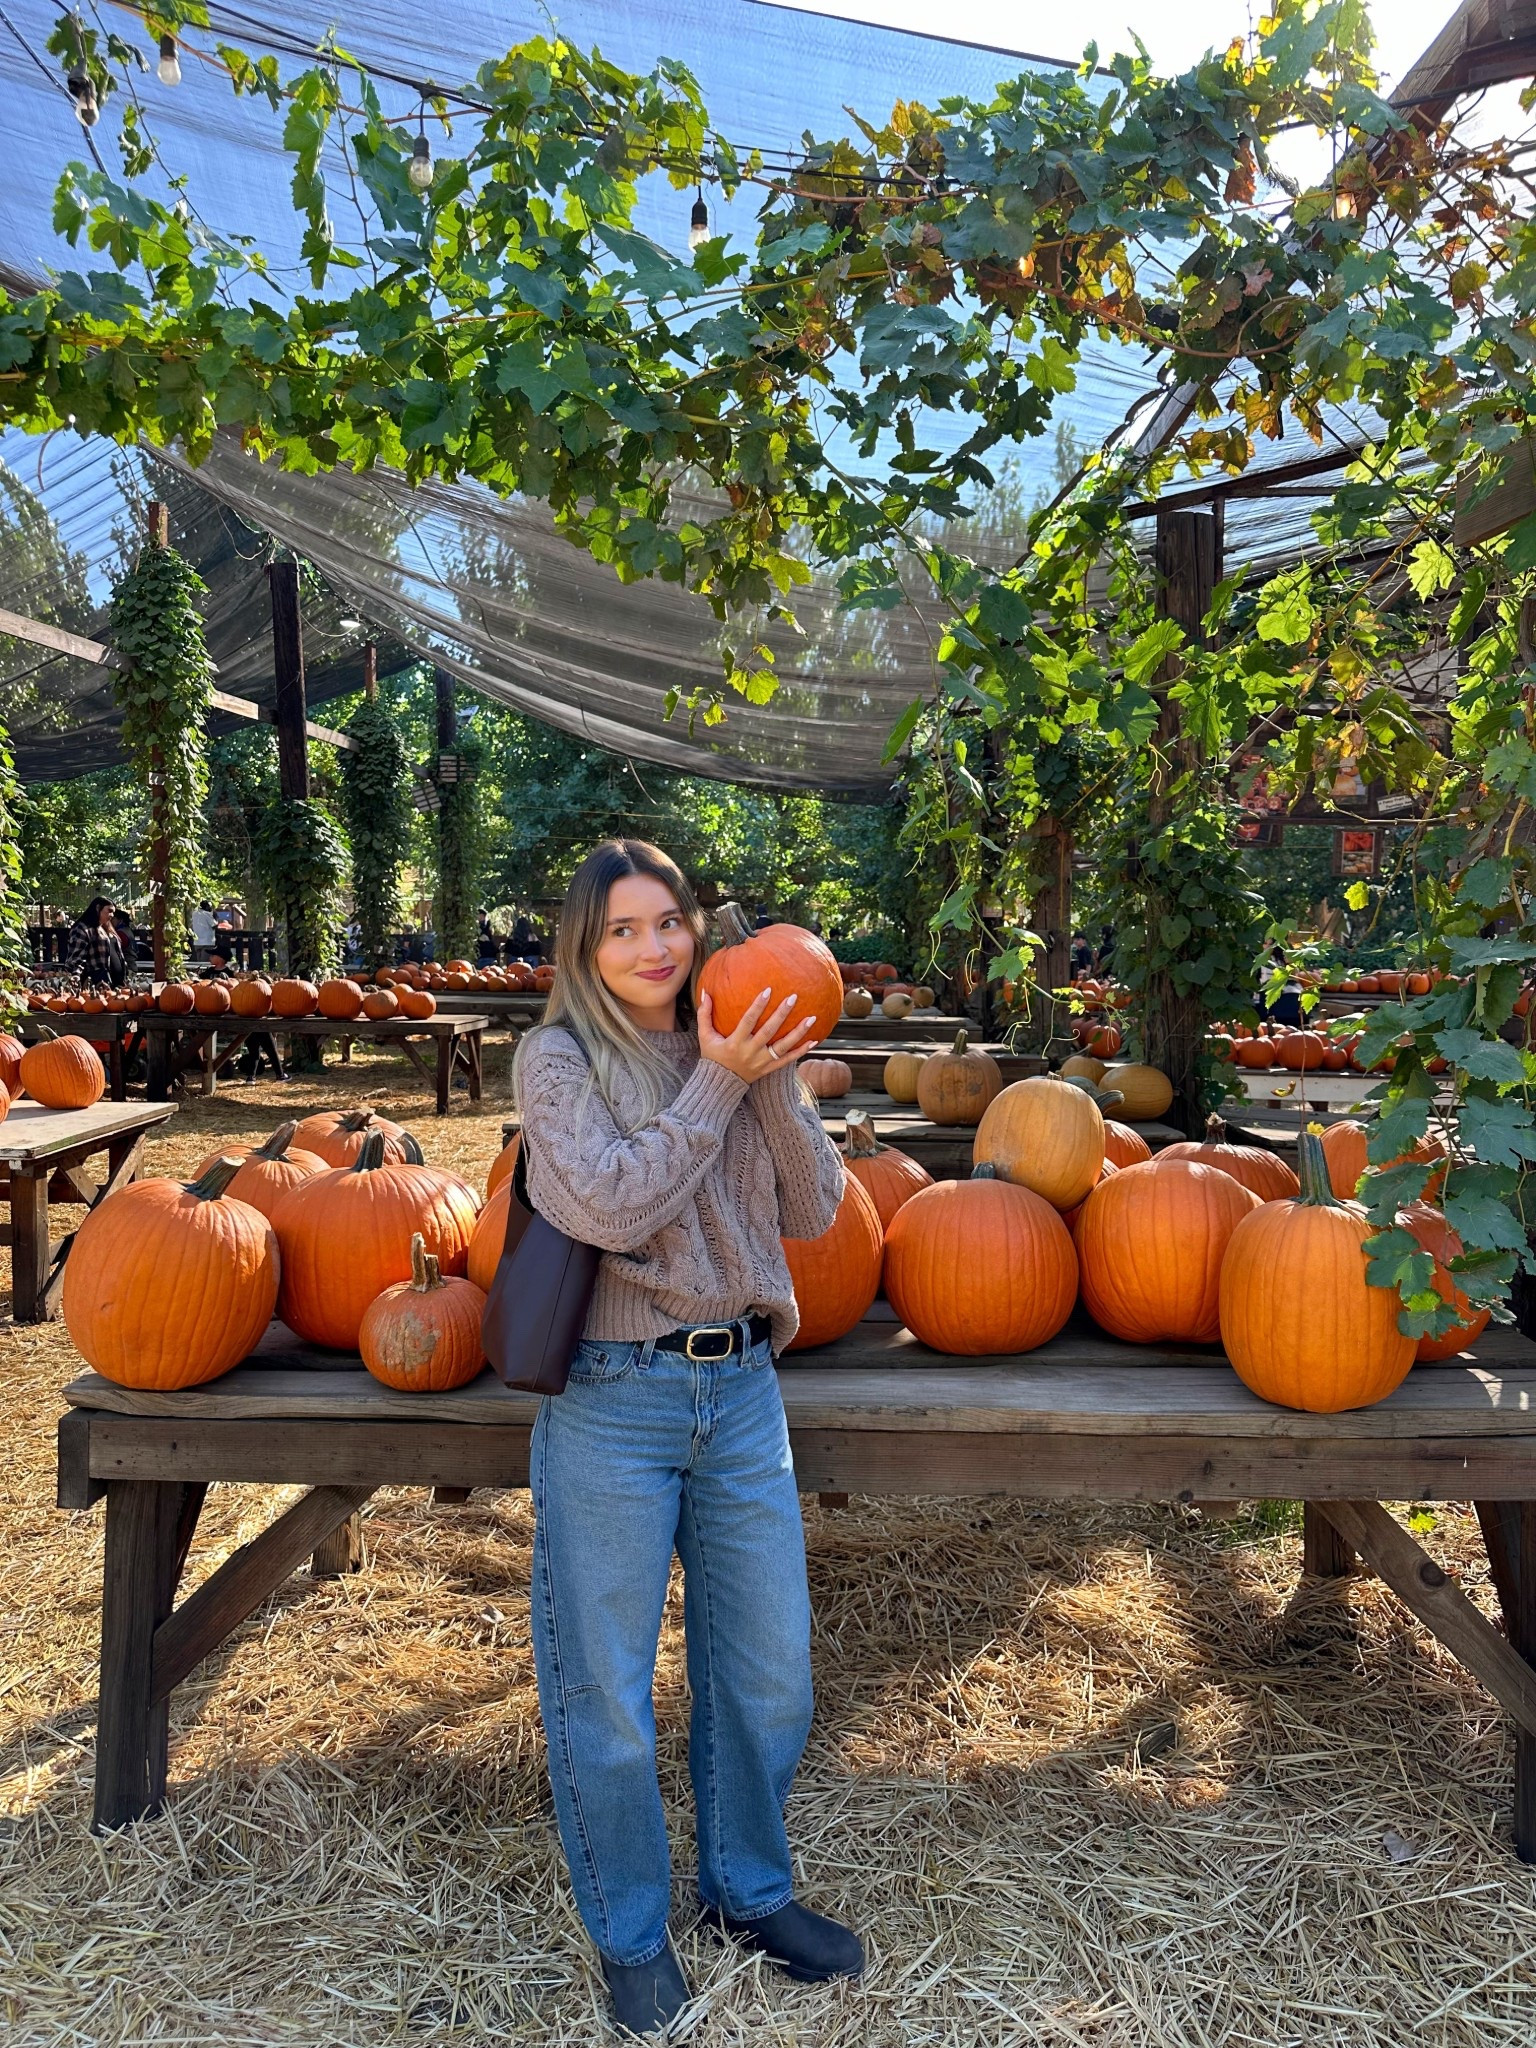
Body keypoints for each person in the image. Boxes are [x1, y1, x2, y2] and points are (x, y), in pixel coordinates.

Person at [513, 839, 862, 2038]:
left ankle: (749, 1893)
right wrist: (712, 1081)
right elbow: (607, 1202)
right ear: (585, 946)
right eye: (623, 928)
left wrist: (763, 1069)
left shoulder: (742, 1041)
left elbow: (817, 1210)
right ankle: (630, 1930)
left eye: (669, 920)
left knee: (766, 1672)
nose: (653, 946)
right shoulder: (556, 1058)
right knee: (603, 1688)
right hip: (614, 1397)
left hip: (744, 1393)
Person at [65, 897, 128, 986]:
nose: (112, 915)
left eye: (113, 912)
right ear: (98, 908)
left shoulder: (105, 928)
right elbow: (77, 957)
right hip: (98, 983)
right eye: (109, 911)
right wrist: (76, 975)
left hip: (117, 983)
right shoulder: (82, 929)